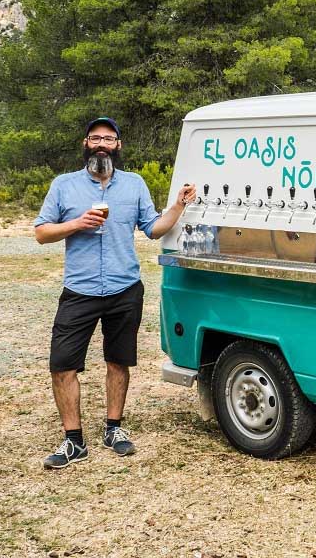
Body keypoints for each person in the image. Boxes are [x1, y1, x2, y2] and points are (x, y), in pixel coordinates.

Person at [33, 117, 196, 469]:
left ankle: (114, 428)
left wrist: (179, 206)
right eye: (96, 138)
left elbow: (153, 229)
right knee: (62, 365)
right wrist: (78, 223)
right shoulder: (64, 186)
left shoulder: (134, 184)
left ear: (118, 146)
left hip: (125, 288)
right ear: (85, 144)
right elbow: (42, 232)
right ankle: (73, 441)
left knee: (118, 362)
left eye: (109, 138)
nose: (102, 144)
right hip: (80, 290)